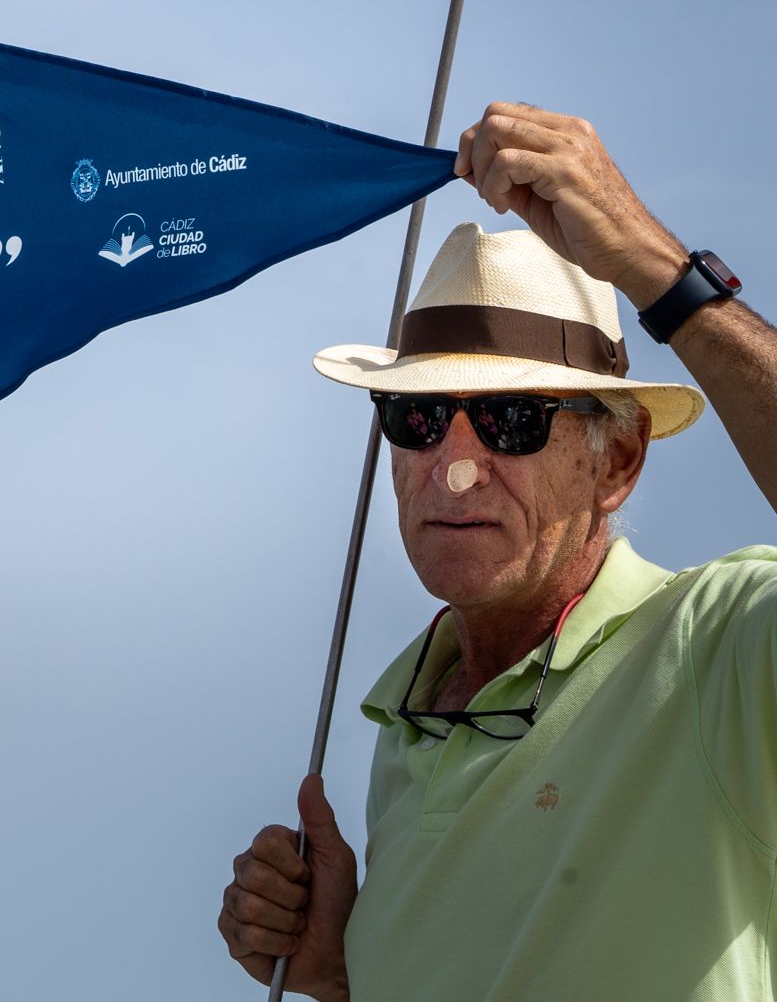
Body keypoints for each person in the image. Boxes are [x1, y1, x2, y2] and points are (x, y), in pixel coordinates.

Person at [217, 102, 777, 1000]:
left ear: (618, 459)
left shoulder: (719, 650)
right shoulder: (406, 734)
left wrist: (657, 270)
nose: (457, 471)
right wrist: (337, 976)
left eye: (513, 420)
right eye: (420, 417)